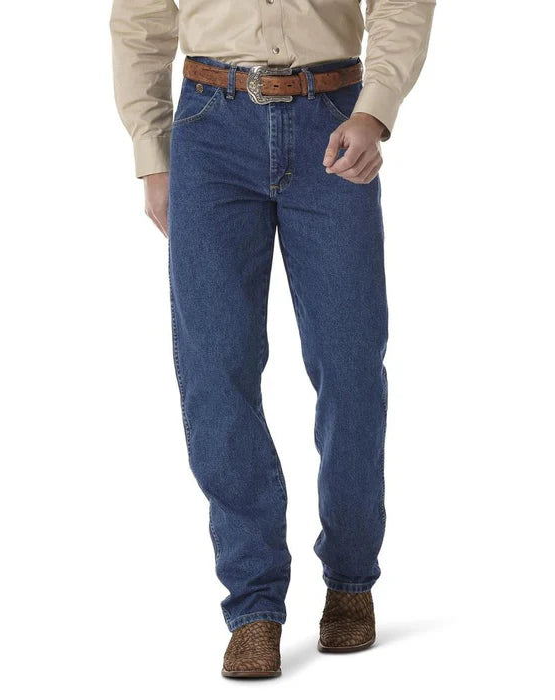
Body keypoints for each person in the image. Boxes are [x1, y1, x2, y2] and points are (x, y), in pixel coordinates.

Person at [110, 0, 435, 678]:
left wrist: (375, 110)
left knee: (350, 364)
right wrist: (153, 153)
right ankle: (254, 605)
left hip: (334, 117)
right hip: (209, 125)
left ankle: (351, 578)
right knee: (214, 371)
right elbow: (141, 17)